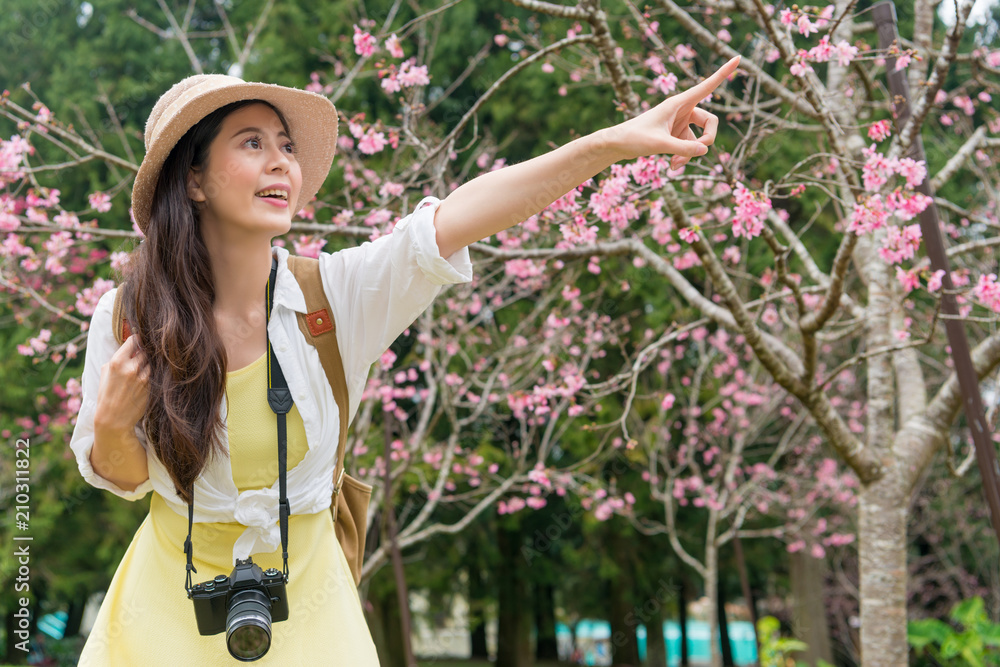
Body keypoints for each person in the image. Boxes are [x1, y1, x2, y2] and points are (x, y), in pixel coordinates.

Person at [69, 56, 740, 664]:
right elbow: (129, 480)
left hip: (311, 608)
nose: (282, 163)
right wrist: (110, 426)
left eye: (287, 147)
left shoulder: (333, 299)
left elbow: (459, 216)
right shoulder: (130, 317)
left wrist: (611, 143)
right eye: (252, 143)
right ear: (192, 180)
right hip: (166, 609)